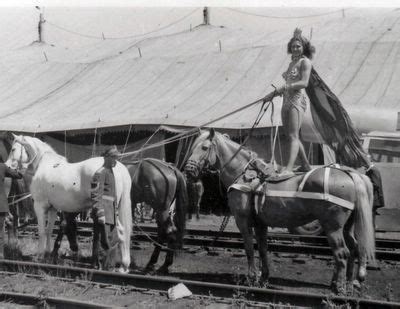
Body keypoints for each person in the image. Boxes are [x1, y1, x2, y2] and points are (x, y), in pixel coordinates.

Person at [269, 28, 314, 176]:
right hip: (286, 101)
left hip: (297, 100)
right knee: (291, 136)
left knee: (294, 136)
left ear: (303, 48)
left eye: (298, 46)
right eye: (293, 46)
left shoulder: (305, 62)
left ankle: (289, 169)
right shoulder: (291, 64)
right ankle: (306, 165)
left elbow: (304, 83)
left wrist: (287, 86)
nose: (295, 48)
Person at [90, 145, 120, 251]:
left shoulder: (110, 172)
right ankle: (99, 265)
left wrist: (115, 211)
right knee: (103, 241)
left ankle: (107, 265)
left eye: (116, 157)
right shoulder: (100, 172)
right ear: (106, 157)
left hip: (111, 212)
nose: (115, 160)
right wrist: (100, 213)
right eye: (113, 157)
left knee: (112, 240)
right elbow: (95, 194)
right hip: (103, 212)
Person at [0, 162, 23, 258]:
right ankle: (0, 254)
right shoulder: (2, 166)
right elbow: (18, 175)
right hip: (0, 205)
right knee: (0, 232)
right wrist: (19, 169)